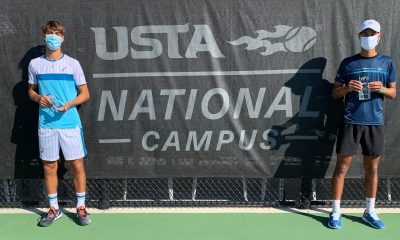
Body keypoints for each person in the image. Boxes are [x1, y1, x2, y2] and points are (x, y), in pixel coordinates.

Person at [328, 19, 396, 229]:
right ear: (359, 37)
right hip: (350, 122)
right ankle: (336, 211)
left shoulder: (387, 62)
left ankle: (370, 211)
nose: (368, 37)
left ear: (379, 36)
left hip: (375, 123)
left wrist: (381, 89)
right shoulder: (348, 63)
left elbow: (393, 92)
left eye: (372, 33)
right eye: (364, 34)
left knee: (372, 169)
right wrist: (348, 89)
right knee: (341, 167)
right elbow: (334, 93)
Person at [28, 20, 91, 227]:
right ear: (44, 36)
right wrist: (38, 98)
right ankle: (54, 209)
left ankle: (80, 206)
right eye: (49, 33)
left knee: (76, 164)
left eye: (56, 33)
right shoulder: (35, 64)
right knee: (49, 166)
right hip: (46, 124)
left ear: (62, 37)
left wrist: (69, 104)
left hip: (70, 123)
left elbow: (85, 94)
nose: (53, 37)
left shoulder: (73, 64)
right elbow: (30, 90)